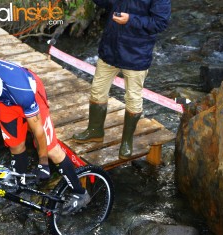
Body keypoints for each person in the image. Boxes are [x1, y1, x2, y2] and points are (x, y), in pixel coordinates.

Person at [0, 57, 89, 215]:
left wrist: (43, 163)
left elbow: (38, 131)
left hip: (30, 95)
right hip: (7, 101)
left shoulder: (22, 90)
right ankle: (20, 190)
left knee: (51, 150)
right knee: (15, 144)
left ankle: (80, 193)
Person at [73, 0, 171, 159]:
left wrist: (130, 20)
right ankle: (95, 131)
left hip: (136, 54)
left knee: (133, 98)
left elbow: (160, 23)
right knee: (97, 91)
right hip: (110, 49)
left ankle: (127, 141)